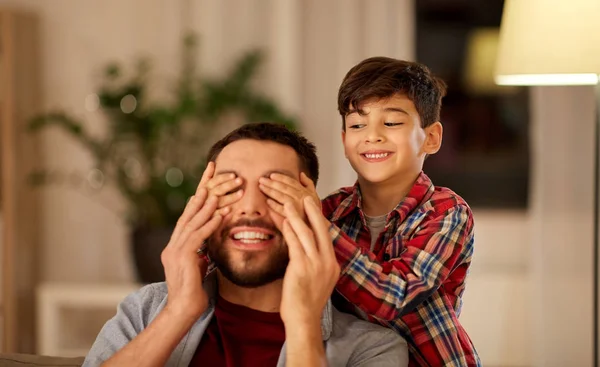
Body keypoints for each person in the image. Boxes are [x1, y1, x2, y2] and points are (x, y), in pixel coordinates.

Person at [83, 122, 408, 367]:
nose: (249, 207)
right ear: (199, 208)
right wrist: (178, 311)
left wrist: (303, 326)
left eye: (274, 190)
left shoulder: (373, 349)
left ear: (311, 214)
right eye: (229, 189)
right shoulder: (145, 312)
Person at [256, 58, 481, 366]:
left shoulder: (447, 212)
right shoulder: (331, 211)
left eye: (391, 123)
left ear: (431, 138)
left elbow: (395, 295)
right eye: (357, 125)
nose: (372, 136)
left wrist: (316, 223)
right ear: (344, 140)